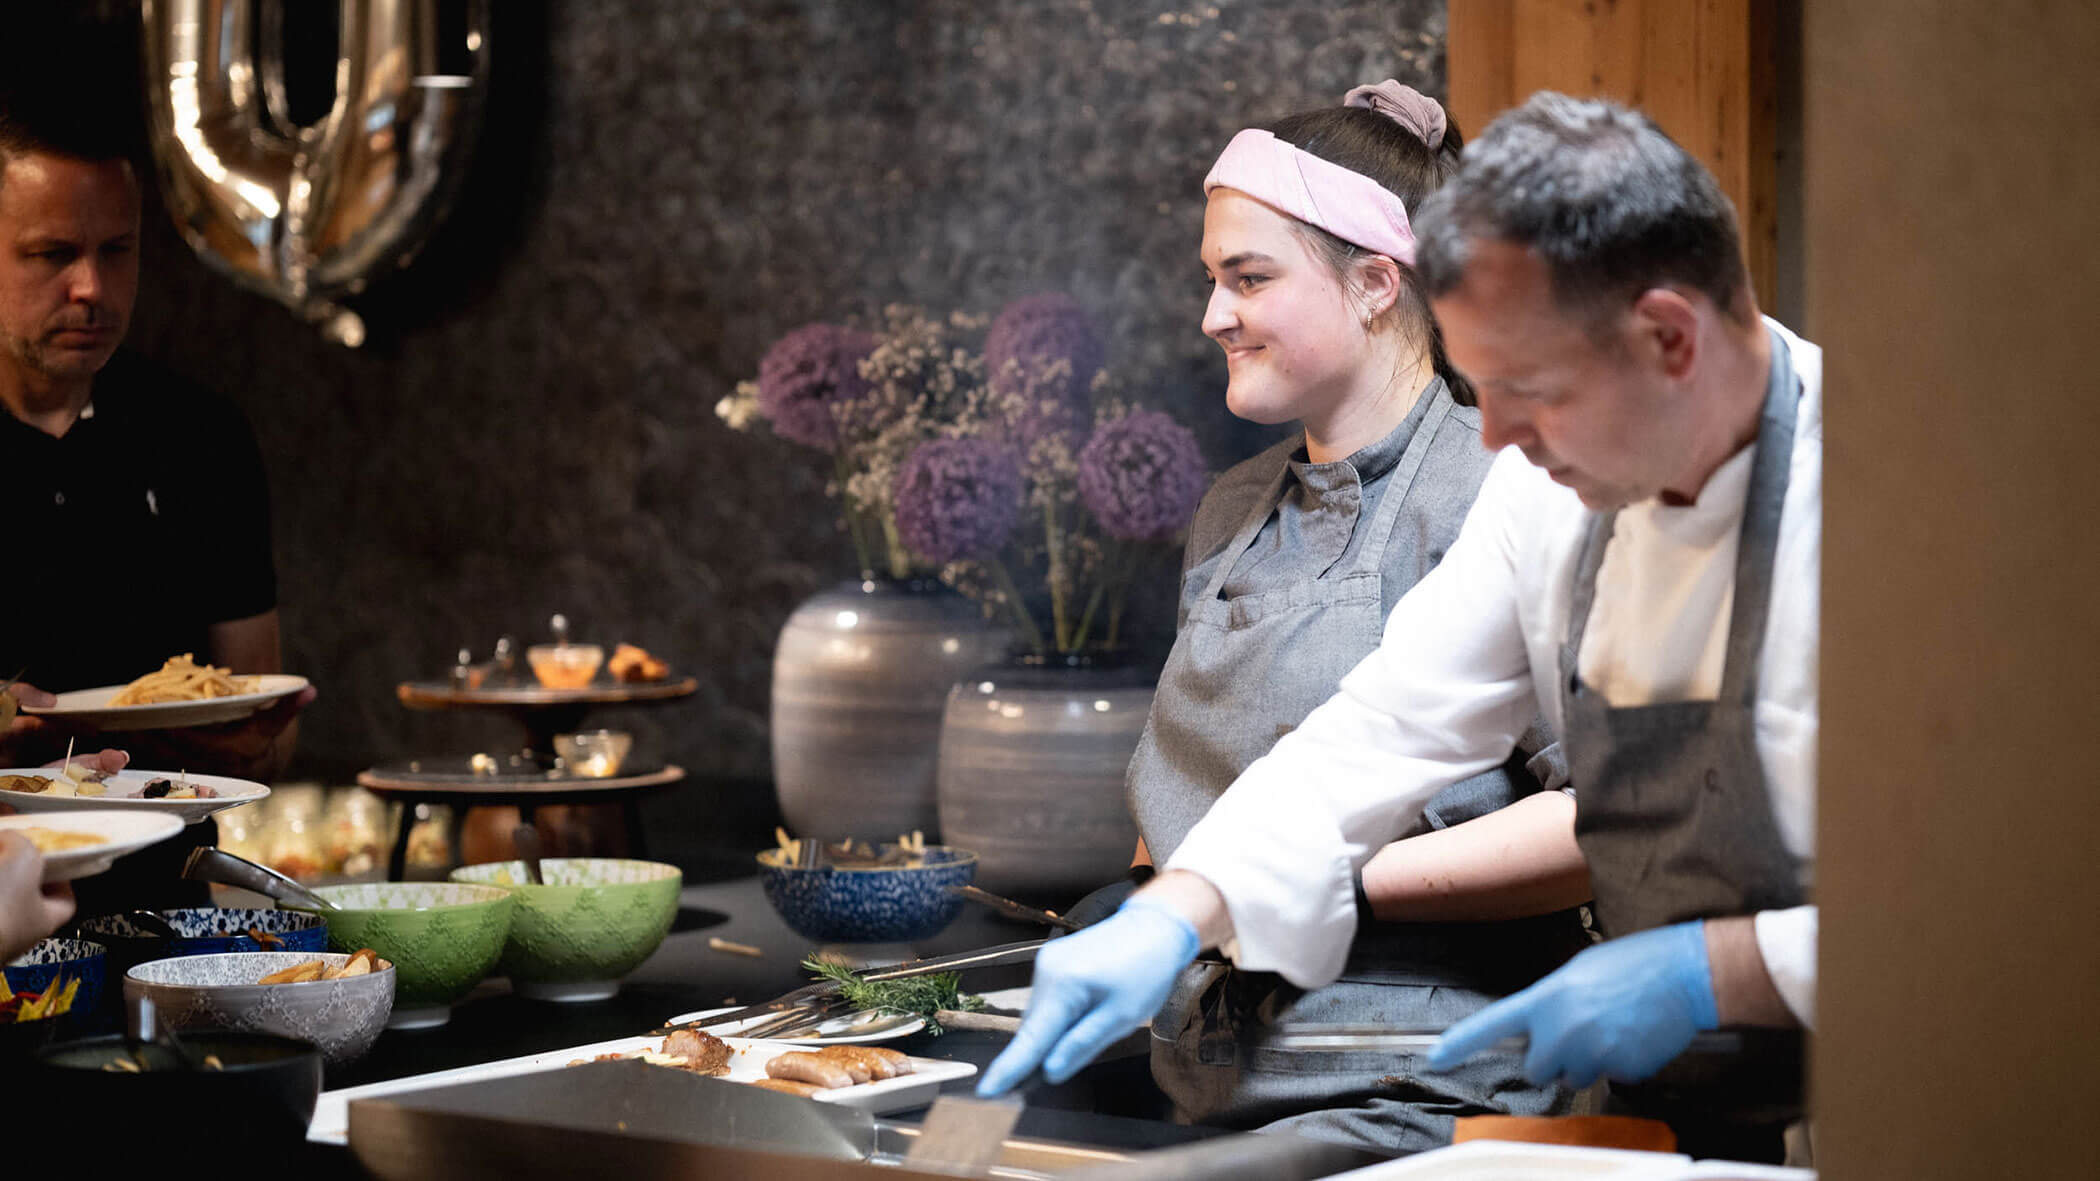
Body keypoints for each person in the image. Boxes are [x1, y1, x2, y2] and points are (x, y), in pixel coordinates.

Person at [982, 92, 1819, 1165]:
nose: (1498, 432)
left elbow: (1970, 907)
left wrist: (1716, 971)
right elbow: (1382, 729)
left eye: (1525, 387)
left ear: (1666, 336)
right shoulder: (1548, 490)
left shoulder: (1881, 515)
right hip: (1689, 1103)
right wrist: (1182, 908)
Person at [1068, 81, 1589, 1152]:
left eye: (1248, 277)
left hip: (1424, 1086)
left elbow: (1607, 817)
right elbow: (1197, 776)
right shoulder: (1231, 510)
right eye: (1212, 279)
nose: (1214, 314)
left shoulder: (1508, 492)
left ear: (1375, 284)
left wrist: (1312, 874)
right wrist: (1157, 902)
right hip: (1215, 1080)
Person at [0, 59, 312, 911]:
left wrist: (253, 744)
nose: (92, 288)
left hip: (165, 915)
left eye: (118, 250)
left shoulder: (199, 440)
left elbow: (260, 726)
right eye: (52, 254)